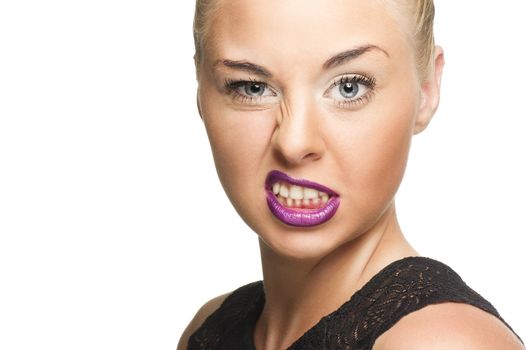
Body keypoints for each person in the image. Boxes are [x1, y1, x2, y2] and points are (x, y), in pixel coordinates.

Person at [178, 0, 525, 349]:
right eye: (251, 87)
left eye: (349, 86)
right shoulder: (209, 329)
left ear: (426, 91)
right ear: (200, 91)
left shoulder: (442, 342)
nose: (295, 143)